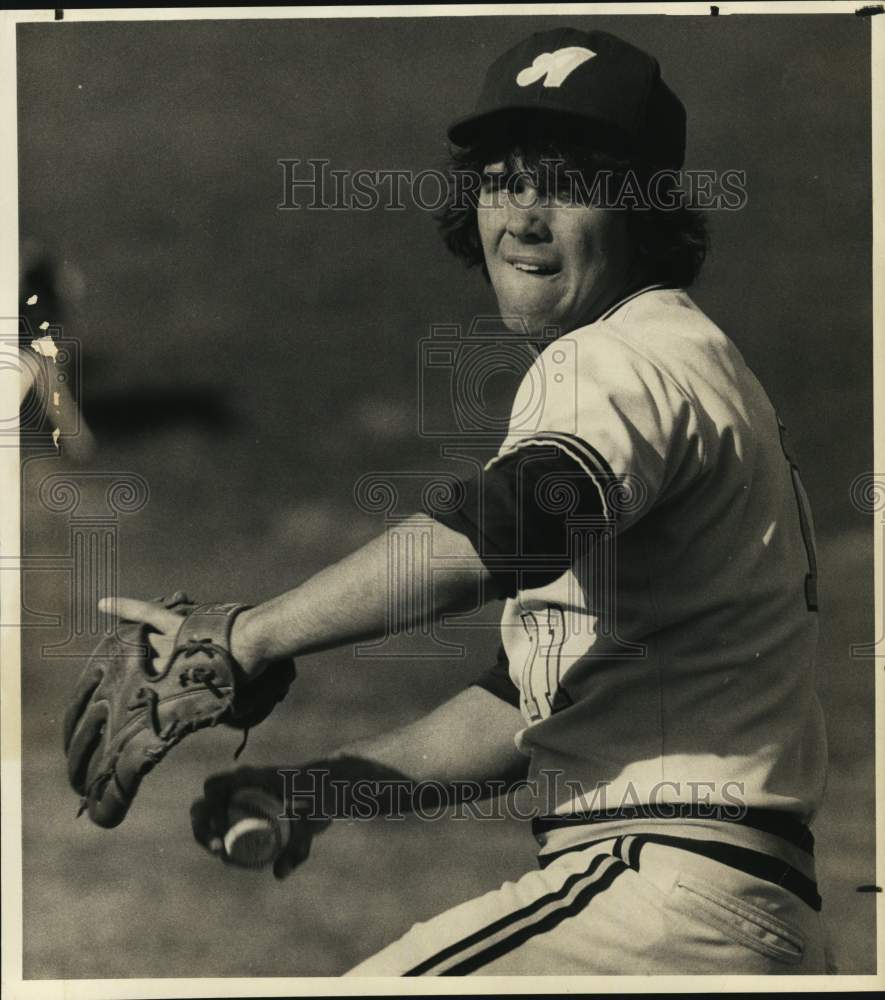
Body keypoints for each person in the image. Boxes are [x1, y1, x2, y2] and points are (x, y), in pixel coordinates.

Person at [100, 27, 830, 975]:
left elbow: (509, 527)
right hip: (737, 910)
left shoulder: (617, 359)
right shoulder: (689, 361)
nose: (523, 218)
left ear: (644, 211)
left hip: (658, 897)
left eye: (566, 184)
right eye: (502, 181)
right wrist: (323, 791)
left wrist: (247, 637)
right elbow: (525, 705)